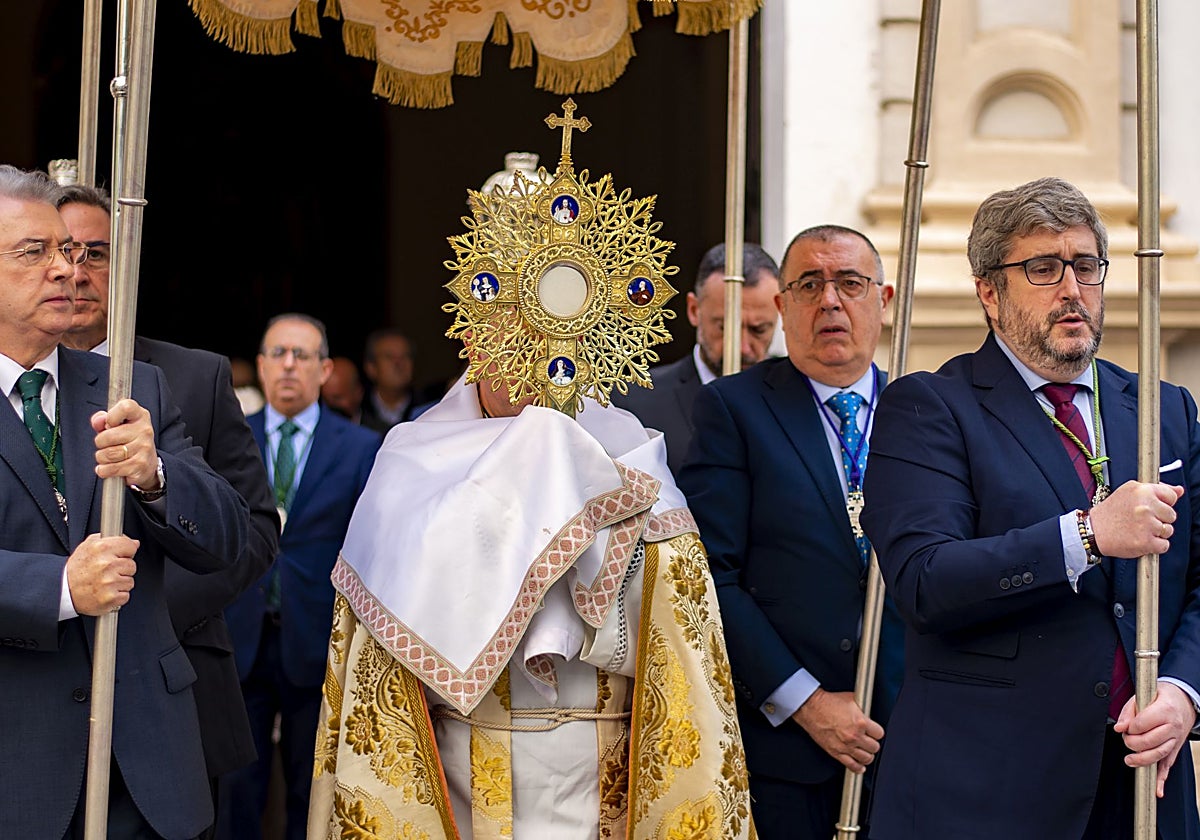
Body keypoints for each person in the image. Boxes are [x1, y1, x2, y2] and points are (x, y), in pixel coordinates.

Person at [861, 176, 1200, 839]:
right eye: (1043, 268)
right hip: (987, 791)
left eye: (1086, 266)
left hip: (1141, 785)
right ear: (990, 291)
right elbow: (925, 580)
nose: (1072, 289)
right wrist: (1086, 535)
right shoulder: (931, 406)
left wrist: (1184, 693)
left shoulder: (1167, 411)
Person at [305, 353, 755, 835]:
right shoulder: (414, 458)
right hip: (464, 780)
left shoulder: (629, 453)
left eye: (554, 348)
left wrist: (588, 540)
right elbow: (382, 652)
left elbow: (678, 625)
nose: (533, 367)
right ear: (476, 346)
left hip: (606, 783)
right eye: (515, 345)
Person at [0, 164, 250, 838]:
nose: (66, 271)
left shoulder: (129, 386)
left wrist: (158, 476)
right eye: (35, 252)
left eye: (71, 250)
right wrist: (57, 586)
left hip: (146, 773)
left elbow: (231, 537)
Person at [57, 183, 281, 836]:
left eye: (97, 254)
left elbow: (255, 530)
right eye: (63, 251)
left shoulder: (190, 377)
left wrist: (145, 605)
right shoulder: (17, 385)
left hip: (173, 679)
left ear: (124, 268)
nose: (76, 271)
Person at [677, 225, 905, 839]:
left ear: (882, 300)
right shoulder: (735, 409)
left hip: (916, 747)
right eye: (809, 285)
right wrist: (807, 703)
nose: (830, 301)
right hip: (790, 756)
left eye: (850, 284)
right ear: (783, 307)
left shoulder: (928, 410)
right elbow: (710, 577)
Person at [218, 313, 380, 840]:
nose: (289, 366)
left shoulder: (360, 448)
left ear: (325, 369)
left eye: (302, 355)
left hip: (319, 639)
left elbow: (370, 547)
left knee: (311, 790)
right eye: (278, 354)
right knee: (237, 786)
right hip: (240, 635)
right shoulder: (228, 439)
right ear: (261, 367)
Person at [613, 242, 780, 474]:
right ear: (694, 310)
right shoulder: (634, 402)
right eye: (724, 328)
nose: (742, 347)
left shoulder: (797, 396)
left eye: (759, 329)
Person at [358, 326, 425, 433]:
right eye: (389, 357)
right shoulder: (356, 412)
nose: (398, 363)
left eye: (405, 356)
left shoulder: (428, 410)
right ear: (371, 368)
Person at [320, 355, 364, 423]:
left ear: (358, 393)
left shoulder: (377, 432)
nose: (328, 405)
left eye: (337, 398)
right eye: (324, 399)